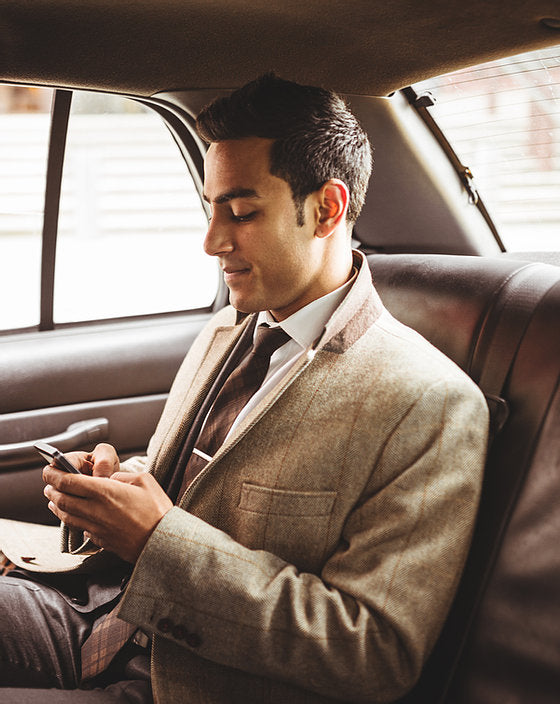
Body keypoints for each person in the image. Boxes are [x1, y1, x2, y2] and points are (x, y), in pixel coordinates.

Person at [0, 73, 489, 703]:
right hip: (98, 621)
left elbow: (372, 652)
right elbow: (202, 492)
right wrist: (114, 492)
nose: (211, 242)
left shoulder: (428, 405)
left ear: (327, 209)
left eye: (242, 212)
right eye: (210, 209)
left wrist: (155, 539)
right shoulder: (229, 330)